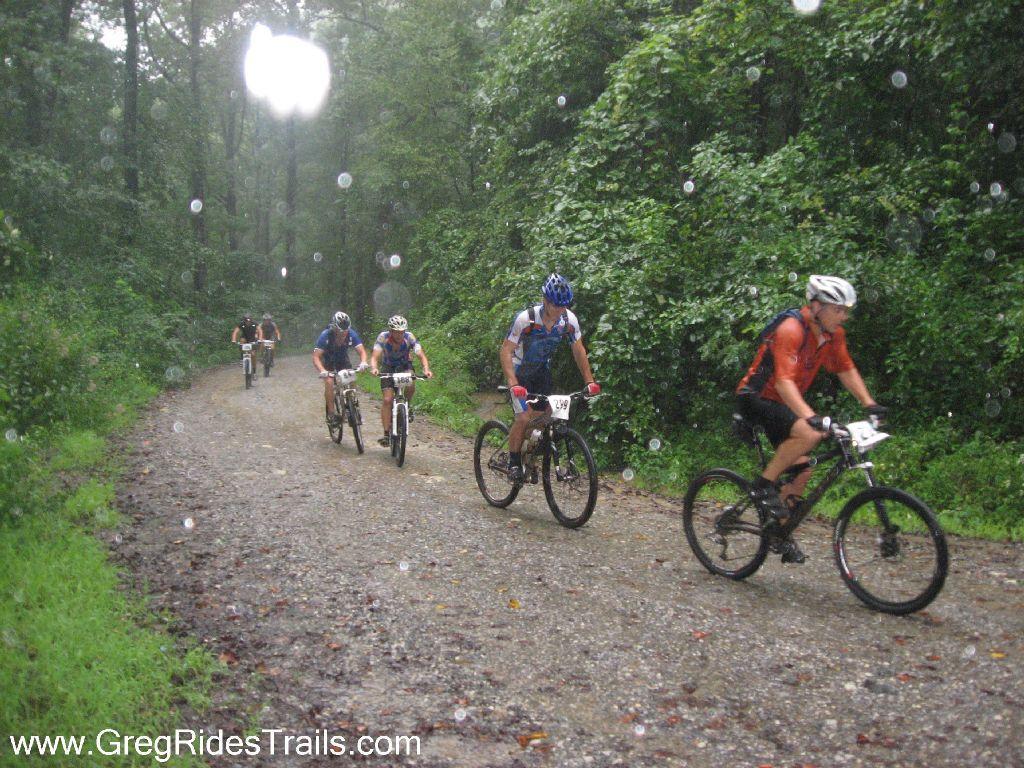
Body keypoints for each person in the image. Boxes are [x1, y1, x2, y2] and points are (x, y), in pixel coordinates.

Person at [735, 274, 887, 564]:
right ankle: (763, 485)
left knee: (803, 471)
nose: (843, 316)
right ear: (816, 307)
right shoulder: (791, 329)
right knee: (810, 434)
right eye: (838, 310)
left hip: (784, 402)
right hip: (756, 397)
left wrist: (870, 404)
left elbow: (845, 369)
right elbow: (782, 382)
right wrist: (811, 417)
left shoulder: (832, 335)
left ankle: (778, 533)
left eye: (846, 311)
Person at [500, 273, 600, 484]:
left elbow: (578, 350)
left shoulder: (568, 320)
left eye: (564, 305)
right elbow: (506, 351)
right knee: (524, 417)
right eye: (556, 305)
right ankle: (513, 462)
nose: (560, 310)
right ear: (545, 300)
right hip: (519, 371)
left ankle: (529, 454)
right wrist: (513, 383)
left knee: (548, 417)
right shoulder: (526, 319)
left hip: (541, 372)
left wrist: (589, 381)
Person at [370, 315, 432, 447]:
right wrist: (374, 368)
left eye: (401, 331)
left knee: (411, 380)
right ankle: (386, 434)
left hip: (405, 366)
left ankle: (407, 405)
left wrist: (426, 369)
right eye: (396, 331)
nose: (399, 335)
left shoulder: (410, 337)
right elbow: (375, 356)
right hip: (388, 368)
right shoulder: (383, 337)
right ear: (390, 331)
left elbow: (421, 355)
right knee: (387, 400)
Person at [313, 311, 369, 426]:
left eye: (346, 331)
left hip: (343, 360)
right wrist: (323, 371)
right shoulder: (325, 335)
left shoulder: (351, 334)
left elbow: (362, 351)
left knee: (352, 377)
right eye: (340, 331)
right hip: (328, 361)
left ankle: (354, 405)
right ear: (334, 328)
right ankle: (331, 415)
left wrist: (363, 362)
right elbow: (316, 357)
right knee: (329, 382)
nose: (344, 333)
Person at [231, 313, 262, 382]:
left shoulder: (255, 323)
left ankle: (254, 373)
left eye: (249, 320)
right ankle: (242, 359)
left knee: (253, 356)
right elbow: (235, 332)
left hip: (252, 339)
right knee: (241, 342)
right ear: (244, 321)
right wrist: (233, 339)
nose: (248, 322)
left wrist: (260, 339)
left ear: (251, 320)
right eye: (246, 321)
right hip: (244, 338)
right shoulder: (241, 324)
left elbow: (260, 331)